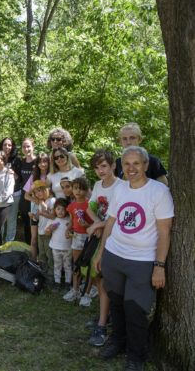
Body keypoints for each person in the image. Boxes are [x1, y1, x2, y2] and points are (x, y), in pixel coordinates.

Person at [94, 146, 173, 371]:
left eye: (136, 163)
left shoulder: (159, 192)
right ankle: (118, 341)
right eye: (127, 164)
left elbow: (164, 232)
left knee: (136, 310)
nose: (131, 168)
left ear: (146, 165)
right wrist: (101, 253)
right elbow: (110, 222)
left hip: (143, 262)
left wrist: (159, 266)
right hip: (114, 256)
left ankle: (137, 355)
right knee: (116, 305)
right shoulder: (120, 189)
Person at [85, 150, 124, 347]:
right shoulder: (98, 185)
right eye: (97, 167)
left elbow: (118, 217)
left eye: (104, 166)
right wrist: (98, 222)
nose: (100, 171)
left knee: (107, 280)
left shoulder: (122, 186)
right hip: (101, 235)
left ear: (113, 166)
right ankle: (104, 316)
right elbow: (90, 207)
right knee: (99, 279)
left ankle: (102, 325)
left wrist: (99, 225)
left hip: (116, 239)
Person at [63, 177, 94, 305]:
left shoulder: (90, 204)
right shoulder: (71, 206)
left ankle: (87, 293)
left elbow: (94, 223)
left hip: (89, 237)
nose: (78, 191)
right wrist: (68, 230)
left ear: (87, 190)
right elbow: (72, 221)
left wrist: (86, 225)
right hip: (76, 237)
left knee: (89, 267)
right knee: (77, 264)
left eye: (81, 189)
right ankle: (75, 290)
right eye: (75, 188)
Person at [24, 152, 50, 258]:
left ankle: (48, 265)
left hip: (48, 212)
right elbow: (26, 195)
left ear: (49, 162)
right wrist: (38, 201)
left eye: (45, 161)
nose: (42, 164)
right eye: (40, 162)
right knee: (34, 240)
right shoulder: (34, 177)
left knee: (48, 240)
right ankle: (33, 263)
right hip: (34, 212)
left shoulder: (52, 176)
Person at [45, 198, 72, 290]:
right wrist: (50, 229)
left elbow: (73, 233)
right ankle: (57, 282)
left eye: (63, 209)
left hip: (67, 247)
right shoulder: (52, 220)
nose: (61, 211)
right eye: (58, 209)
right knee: (57, 265)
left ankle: (68, 282)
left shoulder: (69, 220)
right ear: (54, 210)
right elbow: (47, 233)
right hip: (55, 247)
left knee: (67, 265)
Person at [30, 180, 55, 277]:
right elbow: (38, 217)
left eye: (39, 191)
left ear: (46, 190)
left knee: (50, 255)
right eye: (35, 192)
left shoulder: (52, 200)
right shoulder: (41, 202)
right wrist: (33, 216)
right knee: (42, 254)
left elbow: (53, 216)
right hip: (40, 232)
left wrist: (43, 212)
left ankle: (51, 275)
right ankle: (42, 273)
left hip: (48, 233)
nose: (37, 194)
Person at [0, 137, 22, 242]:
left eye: (9, 145)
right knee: (0, 219)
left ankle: (9, 243)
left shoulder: (17, 159)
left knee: (11, 219)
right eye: (5, 144)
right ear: (1, 146)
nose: (7, 147)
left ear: (12, 147)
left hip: (14, 193)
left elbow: (21, 179)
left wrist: (14, 174)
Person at [19, 138, 36, 243]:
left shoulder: (38, 161)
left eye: (28, 146)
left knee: (35, 221)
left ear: (33, 147)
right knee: (26, 221)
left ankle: (36, 249)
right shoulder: (21, 162)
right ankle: (28, 246)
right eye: (24, 146)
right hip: (24, 196)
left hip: (35, 196)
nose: (26, 148)